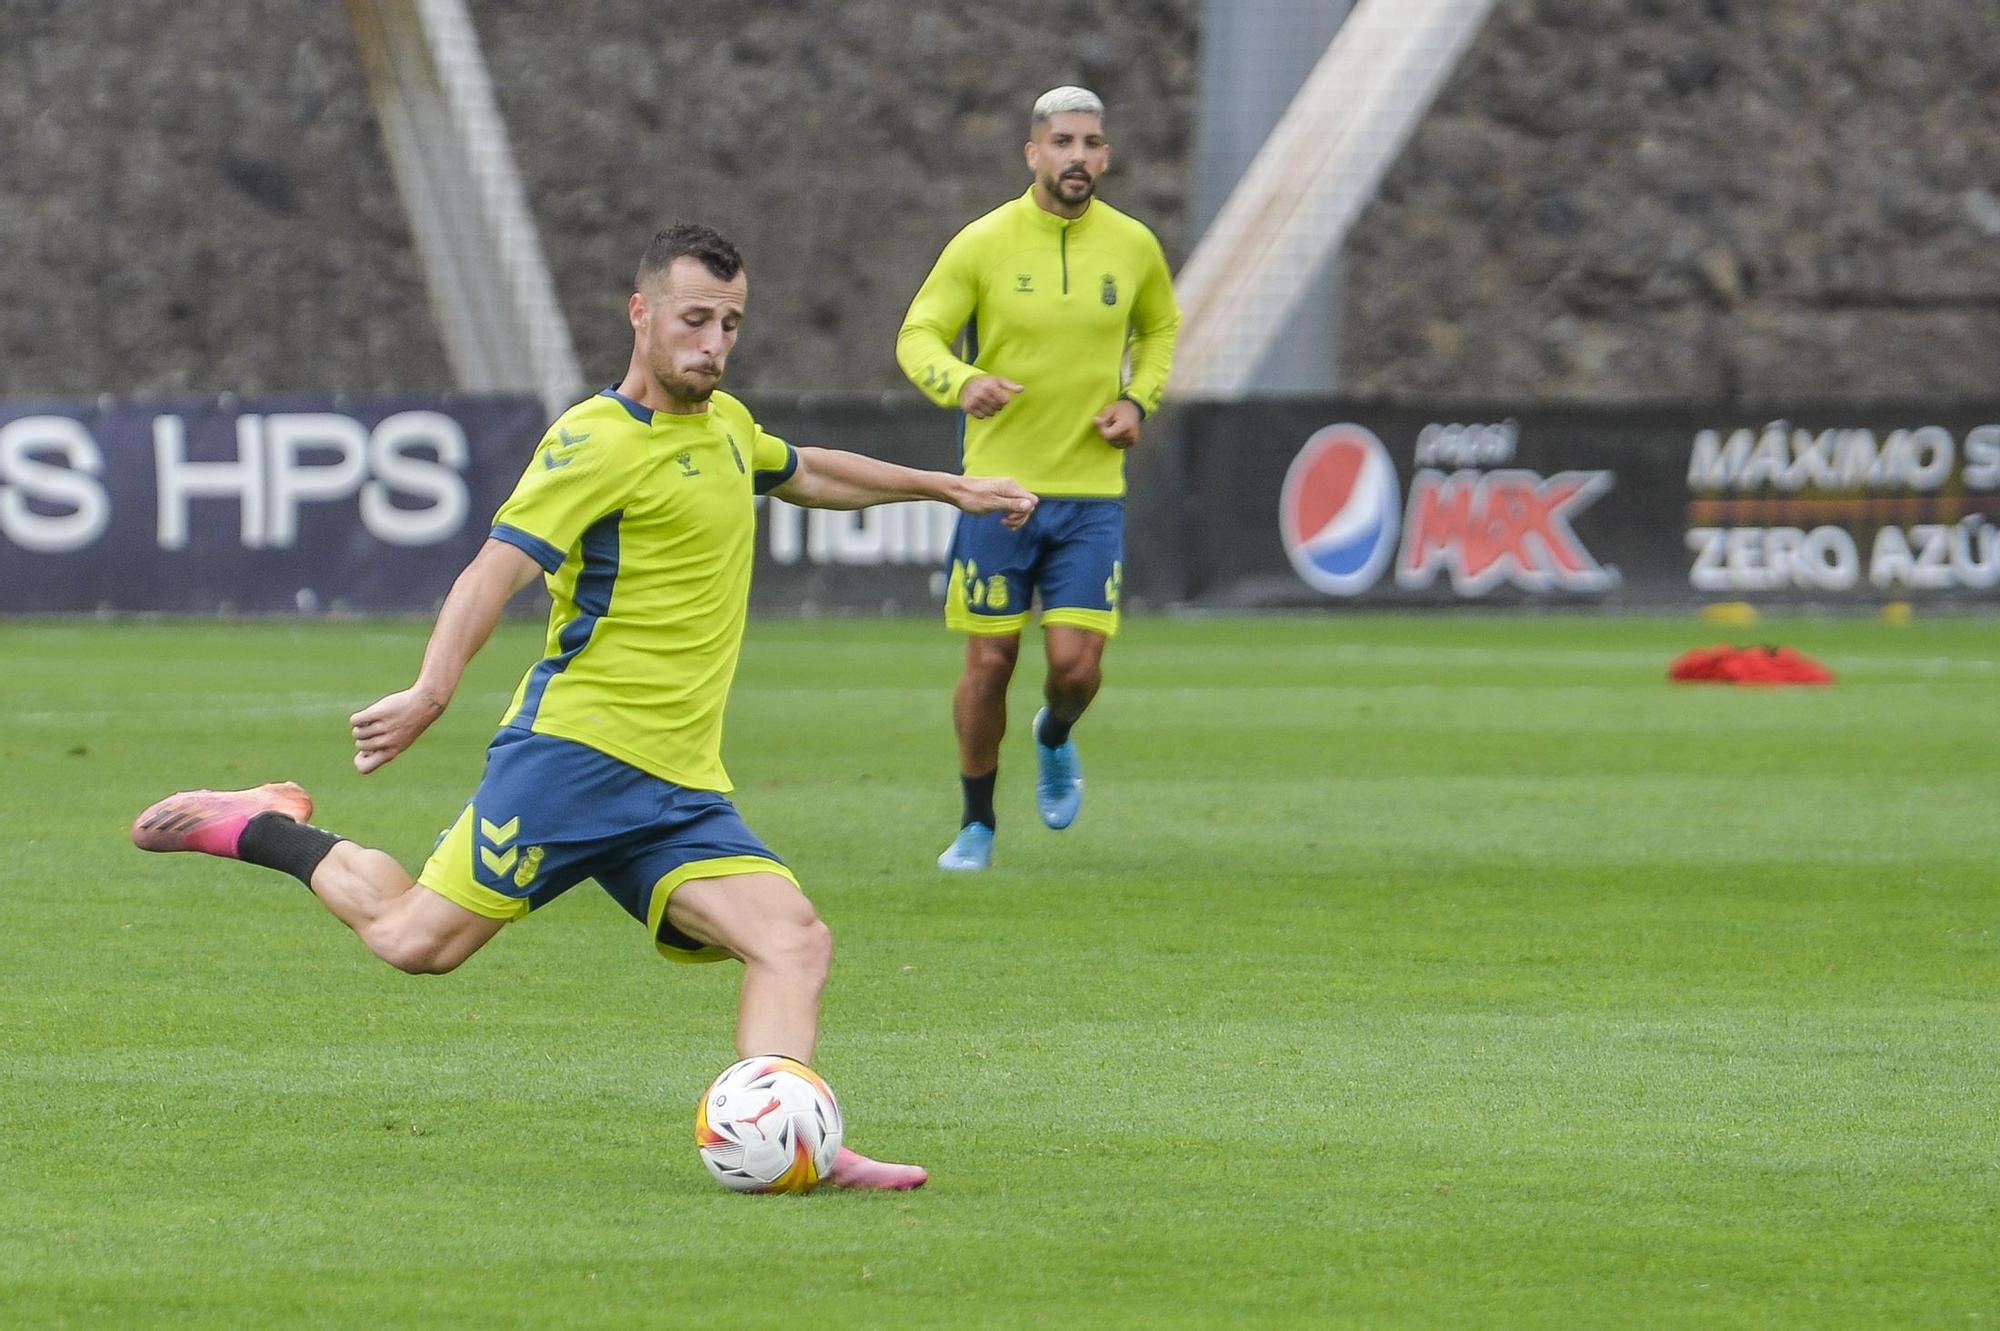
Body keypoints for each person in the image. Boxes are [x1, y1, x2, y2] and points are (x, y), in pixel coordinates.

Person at [132, 223, 1036, 1191]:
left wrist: (947, 486)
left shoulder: (725, 426)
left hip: (678, 781)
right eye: (694, 319)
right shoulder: (591, 440)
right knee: (413, 941)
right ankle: (266, 823)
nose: (713, 343)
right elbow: (494, 571)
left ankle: (793, 1134)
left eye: (730, 323)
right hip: (575, 758)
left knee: (790, 938)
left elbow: (805, 467)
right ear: (639, 312)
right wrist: (432, 689)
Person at [896, 86, 1181, 872]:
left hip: (1091, 495)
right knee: (989, 664)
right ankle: (977, 824)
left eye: (1091, 143)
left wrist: (1137, 399)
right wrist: (960, 382)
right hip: (999, 494)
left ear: (1106, 155)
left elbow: (1159, 327)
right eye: (1062, 142)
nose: (1078, 157)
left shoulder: (1133, 246)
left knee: (1074, 667)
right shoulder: (984, 243)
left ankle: (1053, 735)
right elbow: (918, 334)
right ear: (1033, 153)